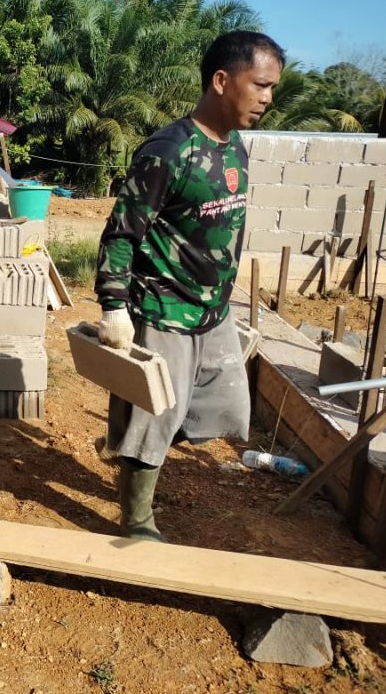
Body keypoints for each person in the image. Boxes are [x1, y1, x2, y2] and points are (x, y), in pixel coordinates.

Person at [94, 30, 284, 542]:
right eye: (260, 85)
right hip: (164, 309)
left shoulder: (235, 146)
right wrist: (114, 305)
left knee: (221, 409)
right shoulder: (168, 151)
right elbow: (121, 232)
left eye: (273, 88)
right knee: (153, 418)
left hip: (213, 310)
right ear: (222, 80)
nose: (268, 98)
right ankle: (137, 518)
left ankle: (129, 440)